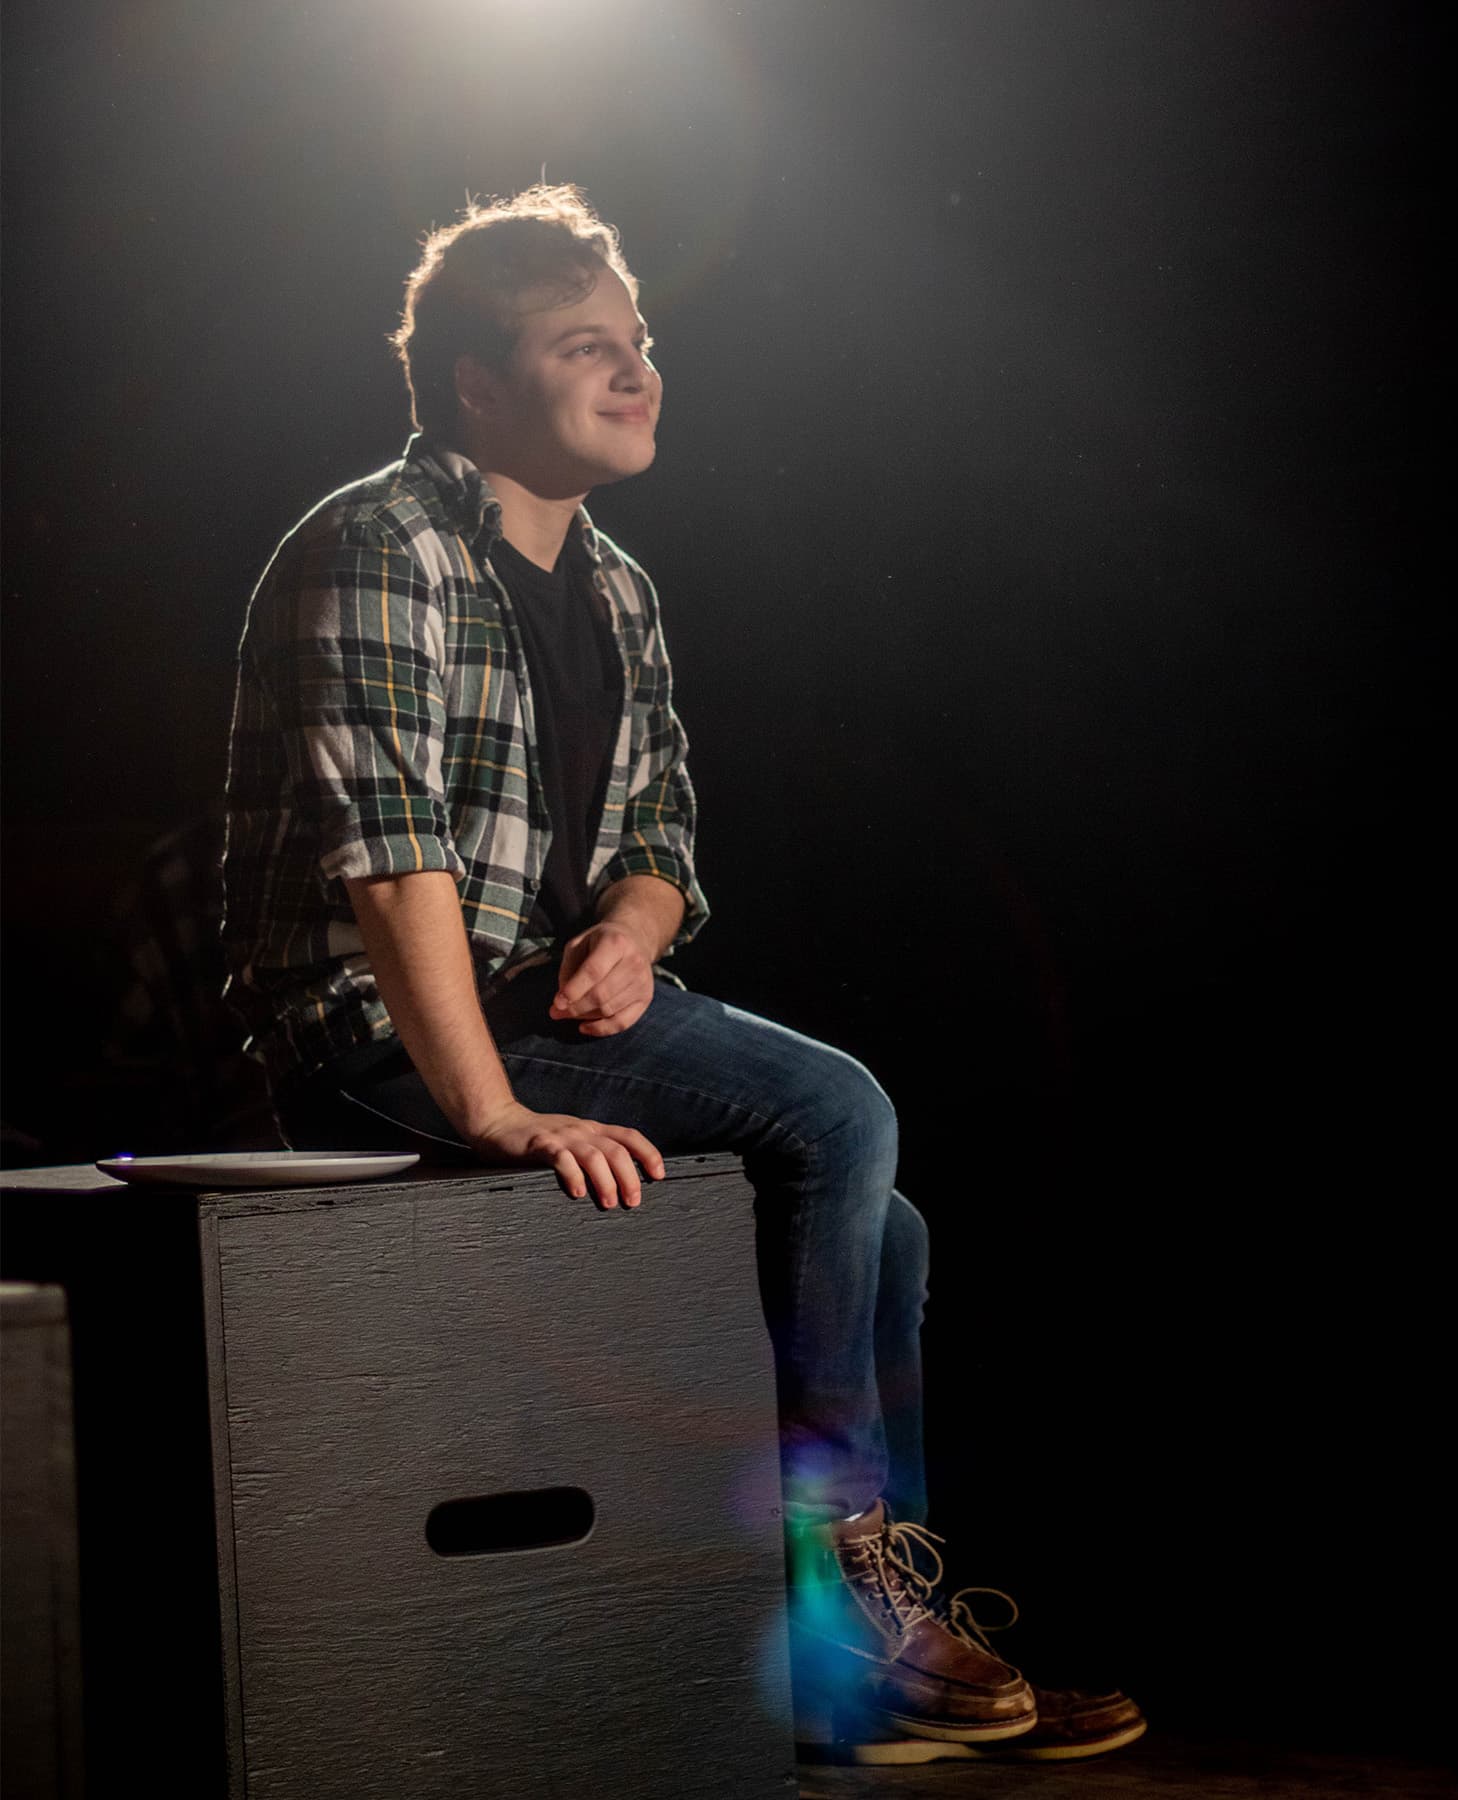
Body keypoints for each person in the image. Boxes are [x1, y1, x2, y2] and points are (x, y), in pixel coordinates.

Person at [221, 184, 1143, 1766]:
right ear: (477, 386)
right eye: (586, 346)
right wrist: (497, 1112)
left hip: (542, 1012)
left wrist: (636, 934)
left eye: (639, 343)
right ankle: (843, 1604)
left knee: (886, 1223)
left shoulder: (620, 588)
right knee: (837, 1116)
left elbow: (661, 835)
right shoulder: (376, 548)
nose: (636, 372)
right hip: (378, 1036)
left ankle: (850, 1655)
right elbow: (390, 863)